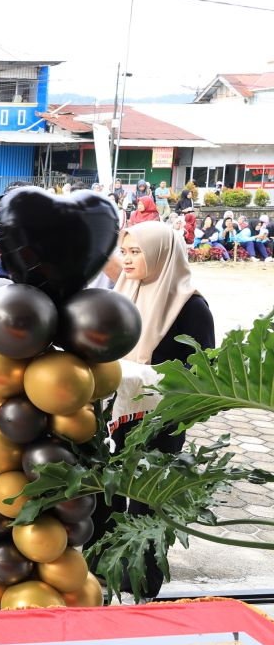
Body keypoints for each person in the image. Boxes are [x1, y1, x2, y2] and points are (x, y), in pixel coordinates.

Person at [88, 222, 215, 600]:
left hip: (159, 423)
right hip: (114, 416)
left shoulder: (190, 305)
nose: (126, 259)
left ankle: (141, 583)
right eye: (124, 252)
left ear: (161, 253)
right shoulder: (121, 294)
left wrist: (144, 377)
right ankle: (100, 569)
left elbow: (199, 374)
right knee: (105, 493)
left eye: (136, 252)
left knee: (145, 500)